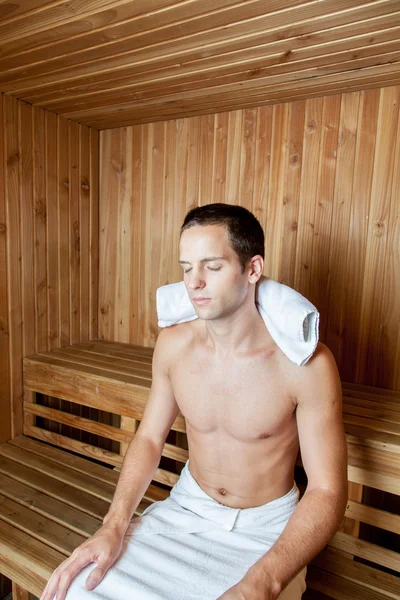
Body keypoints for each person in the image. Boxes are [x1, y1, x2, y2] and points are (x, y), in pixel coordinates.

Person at [41, 203, 348, 600]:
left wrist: (263, 582)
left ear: (252, 269)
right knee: (79, 589)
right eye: (187, 268)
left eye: (212, 267)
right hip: (185, 511)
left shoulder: (304, 364)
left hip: (267, 532)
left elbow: (326, 489)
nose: (194, 283)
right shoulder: (174, 347)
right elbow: (150, 439)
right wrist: (113, 527)